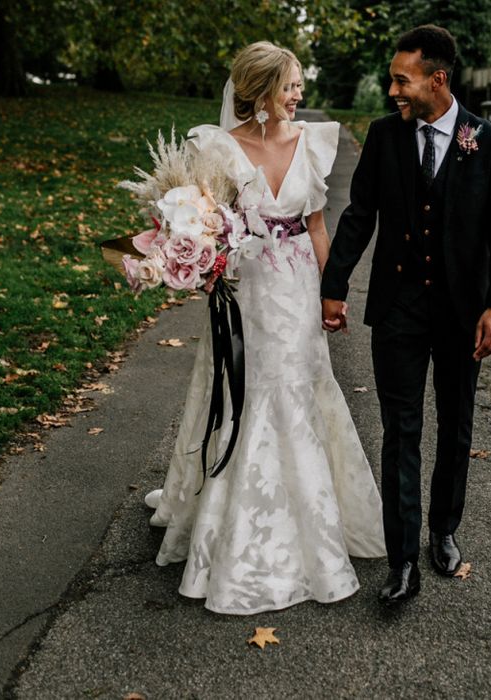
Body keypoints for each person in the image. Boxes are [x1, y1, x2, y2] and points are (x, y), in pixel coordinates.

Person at [145, 41, 385, 615]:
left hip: (299, 287)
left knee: (302, 388)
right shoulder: (218, 149)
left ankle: (314, 514)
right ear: (258, 92)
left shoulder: (312, 142)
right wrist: (201, 265)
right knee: (245, 390)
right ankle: (237, 529)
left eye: (300, 85)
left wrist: (333, 292)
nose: (299, 95)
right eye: (290, 86)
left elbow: (318, 227)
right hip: (246, 290)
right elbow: (203, 226)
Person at [321, 25, 491, 606]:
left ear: (437, 79)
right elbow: (360, 214)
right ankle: (403, 560)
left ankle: (444, 529)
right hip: (399, 310)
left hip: (463, 314)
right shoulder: (385, 137)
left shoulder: (487, 142)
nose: (393, 90)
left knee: (455, 425)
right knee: (400, 432)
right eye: (393, 79)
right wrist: (333, 285)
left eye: (401, 79)